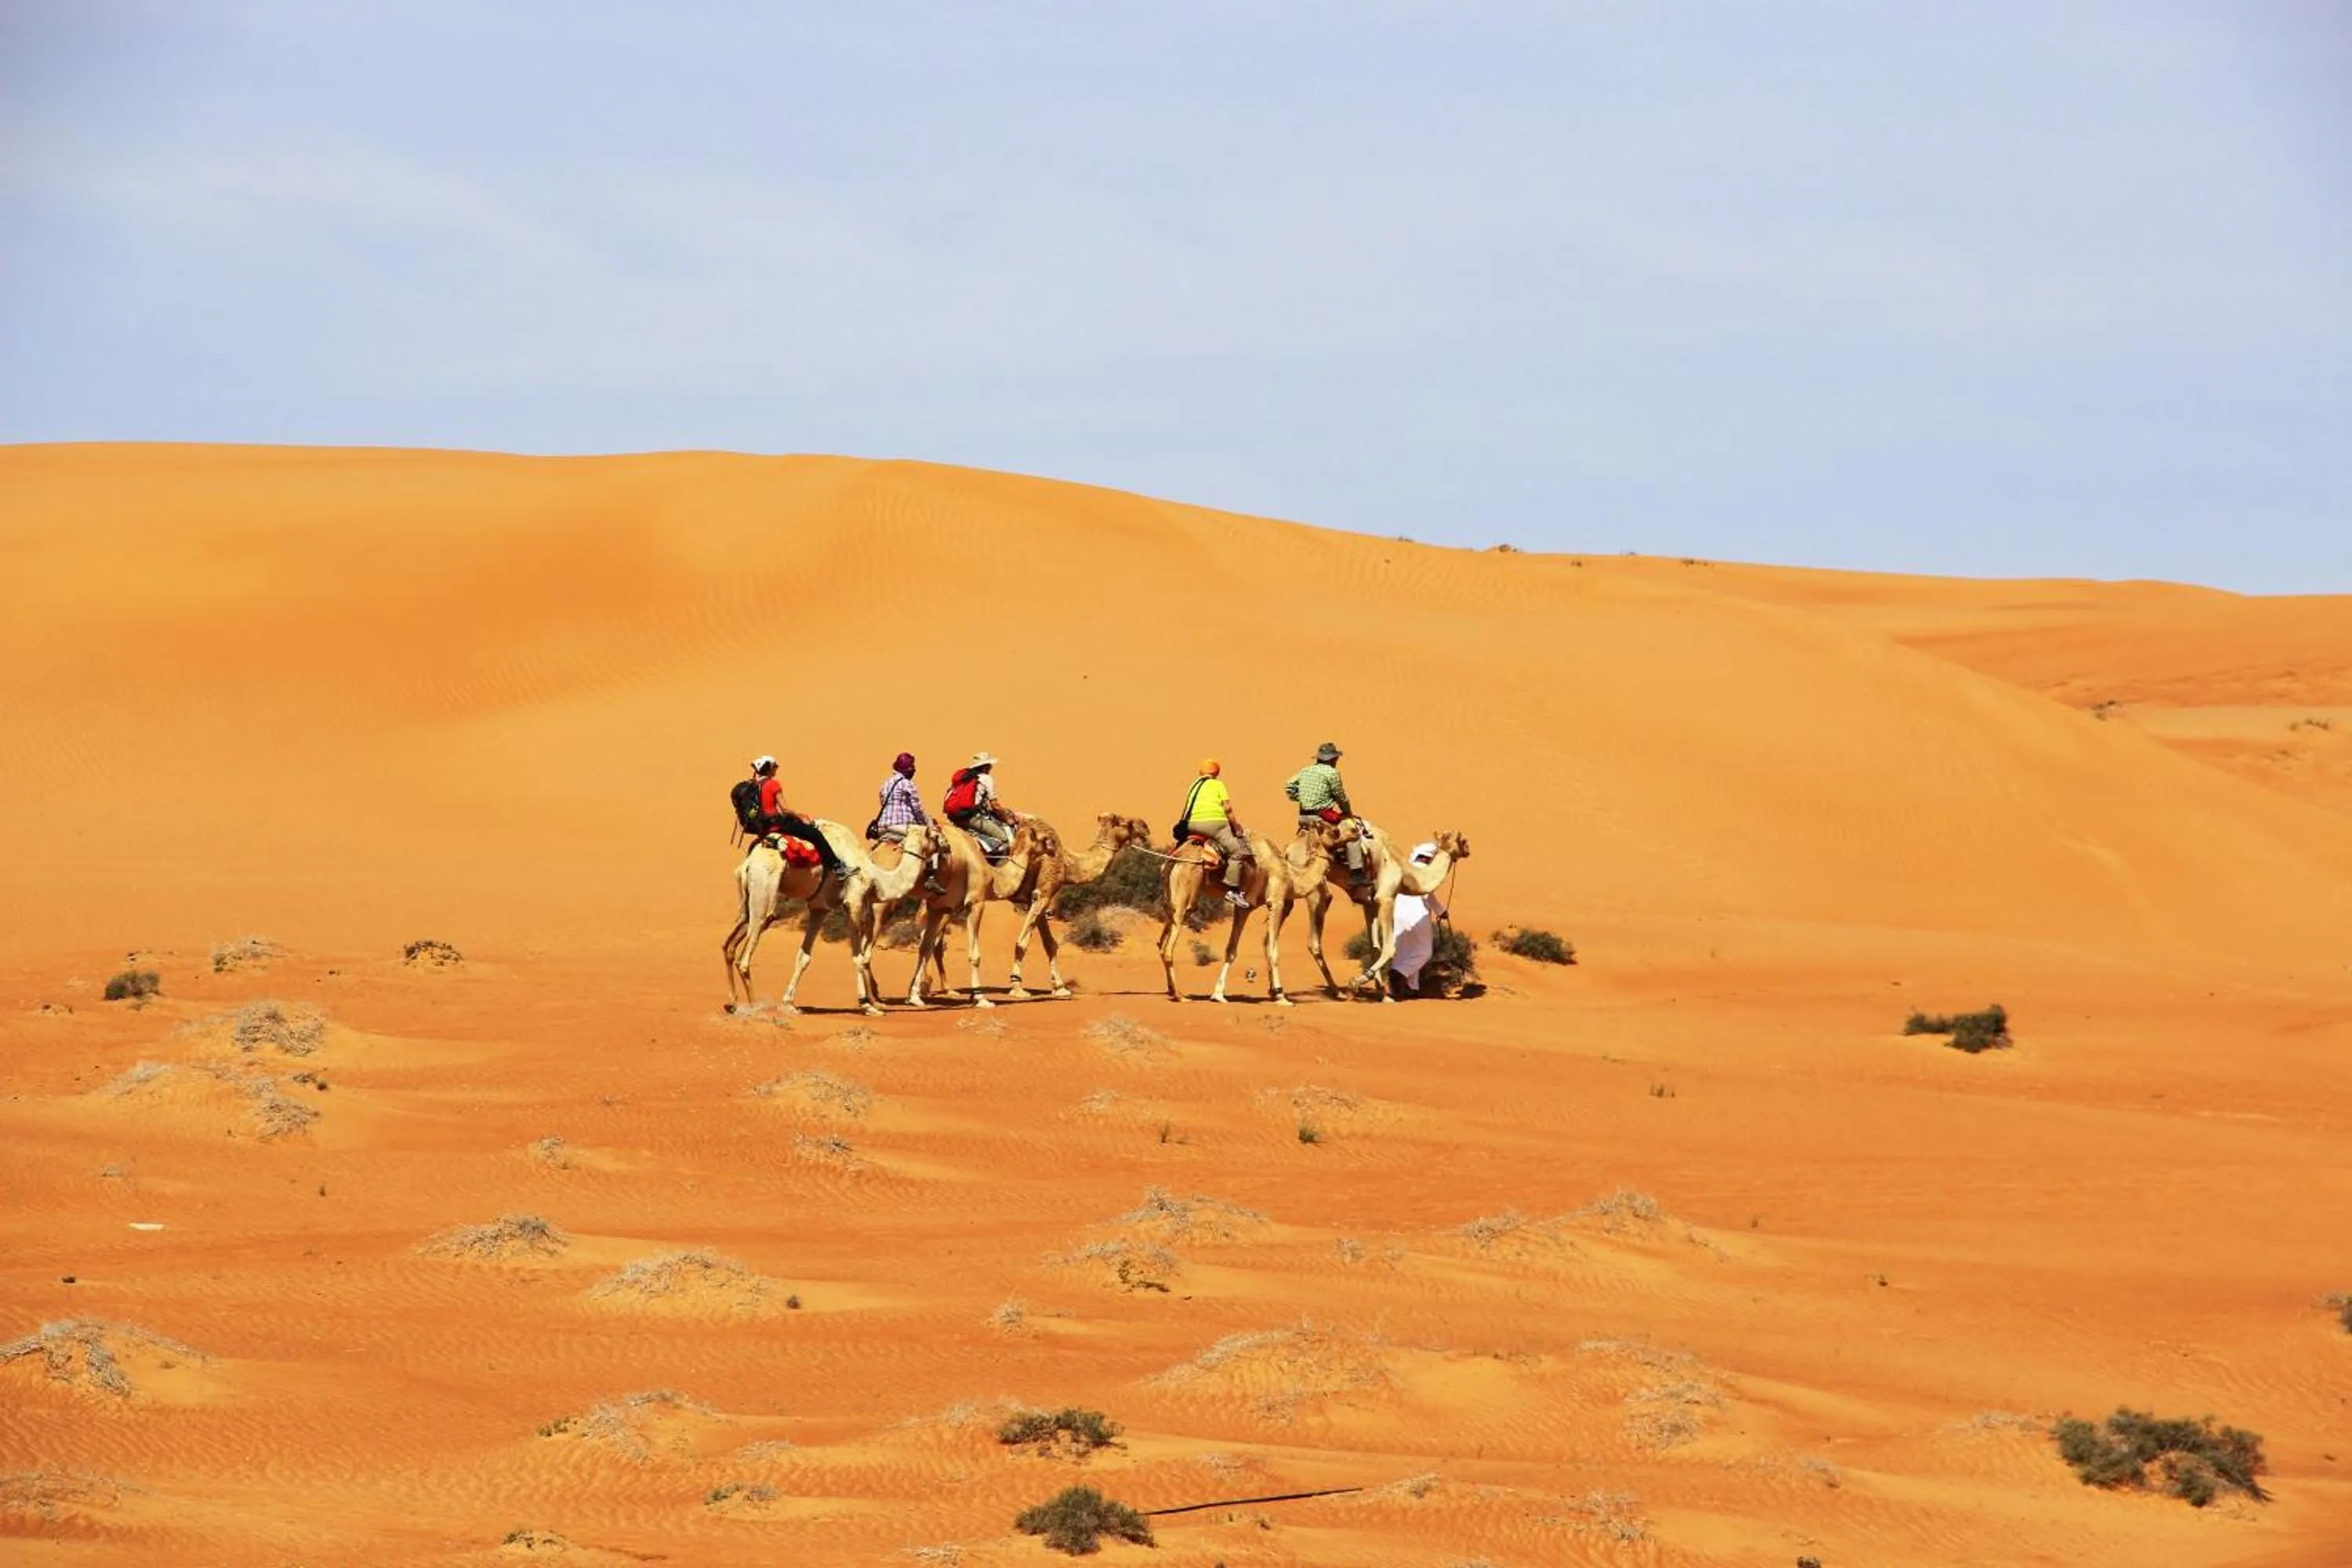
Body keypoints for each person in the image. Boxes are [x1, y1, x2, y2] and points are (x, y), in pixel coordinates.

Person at [750, 757, 851, 883]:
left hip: (763, 827)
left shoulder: (755, 786)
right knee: (815, 834)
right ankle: (837, 867)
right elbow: (785, 810)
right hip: (777, 824)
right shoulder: (773, 784)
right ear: (769, 768)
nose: (776, 769)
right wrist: (800, 817)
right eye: (775, 766)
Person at [1286, 741, 1367, 884]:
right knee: (1352, 833)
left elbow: (1289, 786)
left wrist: (1301, 797)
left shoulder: (1305, 771)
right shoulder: (1332, 773)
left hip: (1304, 818)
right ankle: (1356, 873)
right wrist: (1347, 812)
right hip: (1323, 818)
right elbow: (1340, 796)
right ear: (1332, 759)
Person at [1177, 758, 1251, 908]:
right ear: (1217, 773)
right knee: (1238, 851)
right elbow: (1227, 808)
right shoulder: (1218, 785)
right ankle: (1233, 891)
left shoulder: (1194, 785)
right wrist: (1236, 826)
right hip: (1214, 825)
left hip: (1192, 825)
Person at [872, 751, 945, 893]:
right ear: (909, 769)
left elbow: (883, 802)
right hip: (900, 826)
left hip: (882, 827)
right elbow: (916, 808)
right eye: (912, 767)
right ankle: (931, 877)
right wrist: (925, 825)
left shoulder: (886, 784)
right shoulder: (907, 784)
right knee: (933, 840)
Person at [1388, 841, 1450, 993]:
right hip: (1417, 915)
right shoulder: (1424, 873)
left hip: (1398, 915)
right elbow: (1427, 895)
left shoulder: (1404, 870)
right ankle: (1400, 974)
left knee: (1403, 951)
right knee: (1424, 951)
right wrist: (1441, 911)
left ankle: (1409, 988)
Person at [943, 752, 1019, 859]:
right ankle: (993, 868)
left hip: (955, 817)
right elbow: (995, 805)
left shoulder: (964, 778)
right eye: (990, 766)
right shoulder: (986, 779)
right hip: (971, 818)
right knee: (1003, 839)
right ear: (985, 767)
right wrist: (1007, 819)